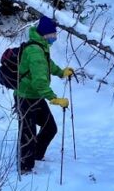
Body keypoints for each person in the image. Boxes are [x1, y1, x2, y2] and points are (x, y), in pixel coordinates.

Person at [14, 16, 74, 174]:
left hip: (35, 96)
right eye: (53, 34)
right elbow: (39, 82)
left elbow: (48, 64)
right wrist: (54, 98)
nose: (55, 37)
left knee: (49, 127)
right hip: (25, 97)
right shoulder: (35, 52)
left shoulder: (41, 46)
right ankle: (25, 168)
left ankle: (35, 155)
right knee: (28, 132)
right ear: (46, 34)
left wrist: (61, 72)